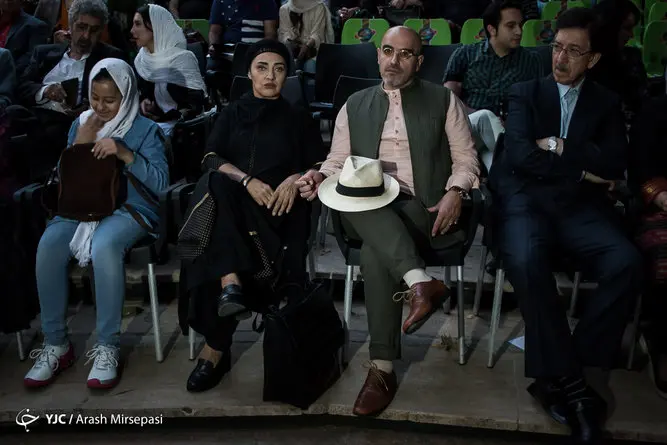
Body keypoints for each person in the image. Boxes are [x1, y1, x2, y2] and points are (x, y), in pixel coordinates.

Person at [297, 26, 479, 417]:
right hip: (366, 206)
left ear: (419, 61)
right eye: (387, 51)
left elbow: (466, 159)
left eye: (405, 54)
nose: (394, 61)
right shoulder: (354, 104)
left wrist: (456, 191)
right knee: (354, 196)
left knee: (375, 251)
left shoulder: (443, 100)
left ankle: (382, 369)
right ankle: (420, 282)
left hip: (423, 211)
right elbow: (337, 162)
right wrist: (318, 175)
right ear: (378, 54)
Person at [488, 8, 642, 443]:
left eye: (574, 51)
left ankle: (564, 368)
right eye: (557, 47)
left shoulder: (605, 102)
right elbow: (520, 156)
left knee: (627, 262)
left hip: (578, 207)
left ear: (593, 59)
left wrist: (557, 145)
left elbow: (613, 162)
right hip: (525, 201)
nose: (560, 58)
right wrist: (582, 167)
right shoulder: (525, 92)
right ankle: (575, 388)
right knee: (526, 259)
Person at [180, 40, 325, 393]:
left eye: (278, 68)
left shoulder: (298, 117)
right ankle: (229, 284)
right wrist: (246, 181)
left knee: (213, 228)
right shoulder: (231, 113)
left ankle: (216, 342)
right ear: (249, 73)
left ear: (287, 75)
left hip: (279, 211)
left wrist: (296, 178)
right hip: (236, 208)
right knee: (217, 182)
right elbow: (210, 158)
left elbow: (320, 163)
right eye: (262, 67)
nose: (270, 75)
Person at [22, 58, 169, 390]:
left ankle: (107, 346)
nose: (101, 107)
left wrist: (125, 154)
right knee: (48, 245)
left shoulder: (146, 130)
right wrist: (80, 144)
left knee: (105, 244)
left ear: (126, 97)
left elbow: (161, 184)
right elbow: (67, 178)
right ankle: (56, 344)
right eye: (95, 98)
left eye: (110, 100)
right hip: (80, 208)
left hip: (130, 209)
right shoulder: (82, 123)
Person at [12, 0, 124, 180]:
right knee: (13, 113)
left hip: (69, 123)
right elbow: (22, 86)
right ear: (70, 25)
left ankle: (47, 183)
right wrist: (45, 91)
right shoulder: (44, 53)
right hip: (34, 116)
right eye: (81, 27)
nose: (86, 36)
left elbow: (119, 97)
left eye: (94, 30)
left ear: (102, 31)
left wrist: (89, 109)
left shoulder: (110, 58)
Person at [444, 0, 542, 172]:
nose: (519, 31)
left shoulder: (531, 61)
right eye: (511, 26)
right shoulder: (465, 54)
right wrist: (475, 113)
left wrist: (515, 122)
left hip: (503, 133)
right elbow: (448, 99)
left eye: (520, 25)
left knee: (497, 166)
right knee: (485, 117)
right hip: (467, 126)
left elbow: (537, 102)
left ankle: (508, 175)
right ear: (492, 29)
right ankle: (522, 162)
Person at [629, 91, 667, 399]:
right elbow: (640, 168)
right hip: (660, 208)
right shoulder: (655, 112)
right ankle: (660, 340)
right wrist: (661, 196)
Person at [132, 4, 207, 137]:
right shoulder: (142, 60)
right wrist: (145, 102)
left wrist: (170, 118)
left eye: (138, 24)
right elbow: (143, 93)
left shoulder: (183, 59)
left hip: (183, 127)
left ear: (155, 26)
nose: (132, 30)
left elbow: (195, 103)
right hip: (155, 124)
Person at [590, 0, 647, 128]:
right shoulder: (586, 64)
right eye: (627, 28)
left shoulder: (632, 57)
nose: (631, 35)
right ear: (609, 28)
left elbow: (643, 103)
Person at [278, 0, 334, 71]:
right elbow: (284, 33)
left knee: (310, 66)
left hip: (314, 52)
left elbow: (317, 33)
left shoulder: (319, 7)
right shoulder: (284, 9)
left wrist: (306, 47)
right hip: (293, 51)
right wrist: (291, 42)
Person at [0, 0, 49, 76]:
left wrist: (6, 73)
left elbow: (32, 58)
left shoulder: (35, 26)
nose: (7, 2)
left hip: (11, 76)